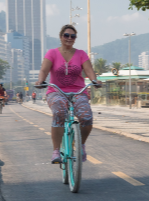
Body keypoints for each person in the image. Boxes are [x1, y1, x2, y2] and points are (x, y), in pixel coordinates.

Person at [35, 24, 101, 163]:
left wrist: (95, 80)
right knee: (59, 112)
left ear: (75, 38)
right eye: (66, 35)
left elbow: (89, 70)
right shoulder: (52, 53)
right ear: (61, 37)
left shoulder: (81, 54)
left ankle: (81, 145)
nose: (69, 38)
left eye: (73, 36)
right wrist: (40, 80)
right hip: (56, 91)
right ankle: (56, 151)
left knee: (86, 116)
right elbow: (44, 70)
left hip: (78, 92)